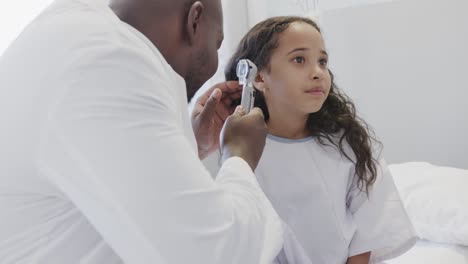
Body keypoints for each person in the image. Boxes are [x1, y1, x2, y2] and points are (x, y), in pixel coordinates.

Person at [0, 0, 284, 263]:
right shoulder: (109, 62)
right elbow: (212, 253)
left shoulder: (67, 37)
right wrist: (239, 156)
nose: (213, 64)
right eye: (217, 42)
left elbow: (108, 186)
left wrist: (190, 146)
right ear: (194, 20)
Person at [225, 16, 417, 264]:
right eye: (299, 59)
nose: (318, 73)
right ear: (259, 78)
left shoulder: (347, 143)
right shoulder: (243, 151)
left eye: (322, 61)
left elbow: (369, 225)